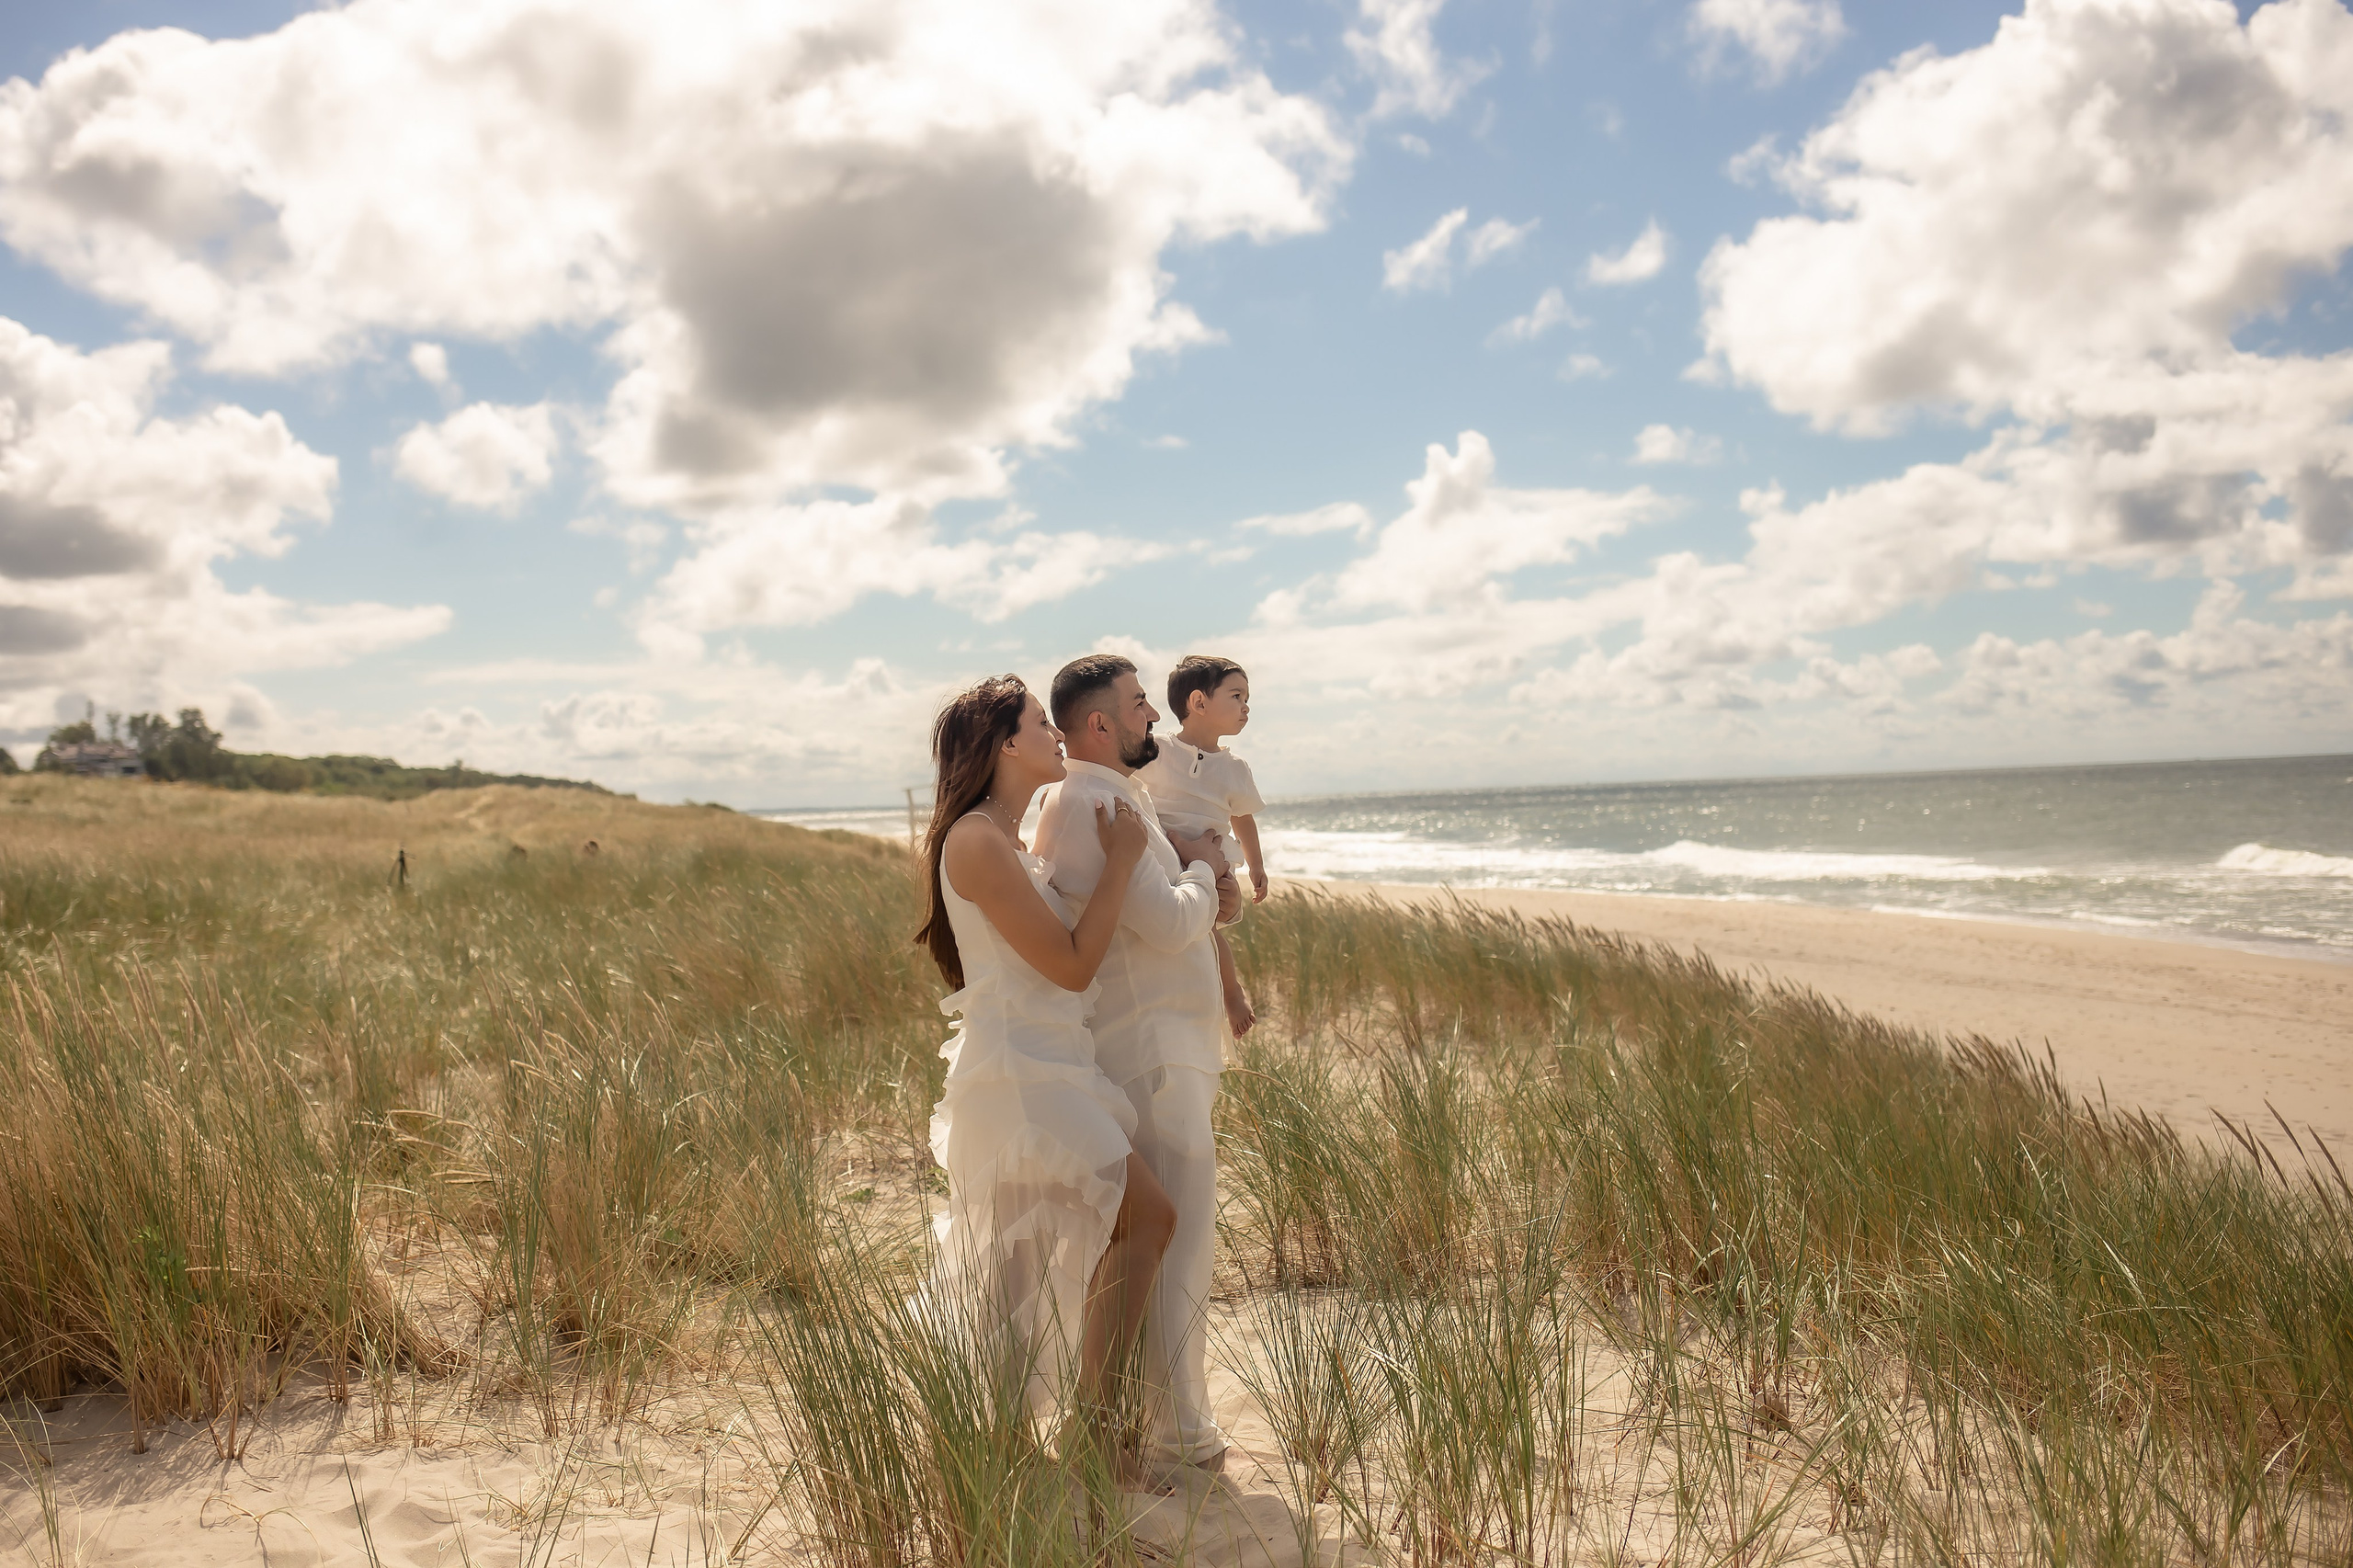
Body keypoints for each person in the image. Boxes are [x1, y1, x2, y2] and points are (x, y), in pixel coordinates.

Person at [911, 674, 1177, 1474]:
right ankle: (1091, 1434)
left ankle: (1002, 1435)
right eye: (1038, 723)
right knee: (1145, 1218)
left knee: (1015, 1259)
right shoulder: (975, 842)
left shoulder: (1008, 838)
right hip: (1023, 1069)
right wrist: (1127, 859)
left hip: (1051, 1060)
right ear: (1004, 744)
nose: (1055, 735)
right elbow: (1067, 966)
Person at [1033, 653, 1242, 1481]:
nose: (1150, 712)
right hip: (1154, 1050)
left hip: (1156, 1045)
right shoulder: (1096, 797)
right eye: (1134, 704)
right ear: (1099, 725)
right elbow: (1163, 921)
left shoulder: (1085, 796)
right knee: (1178, 1243)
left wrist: (1194, 870)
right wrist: (1204, 872)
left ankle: (1153, 1420)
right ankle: (1178, 1430)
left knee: (1159, 1245)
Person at [1135, 655, 1267, 1038]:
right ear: (1198, 703)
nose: (1246, 706)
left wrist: (1257, 867)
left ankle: (1232, 993)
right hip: (1158, 858)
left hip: (1210, 865)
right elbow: (1121, 782)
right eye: (1237, 695)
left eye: (1247, 698)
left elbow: (1243, 818)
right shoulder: (1156, 749)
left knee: (1209, 931)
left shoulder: (1234, 769)